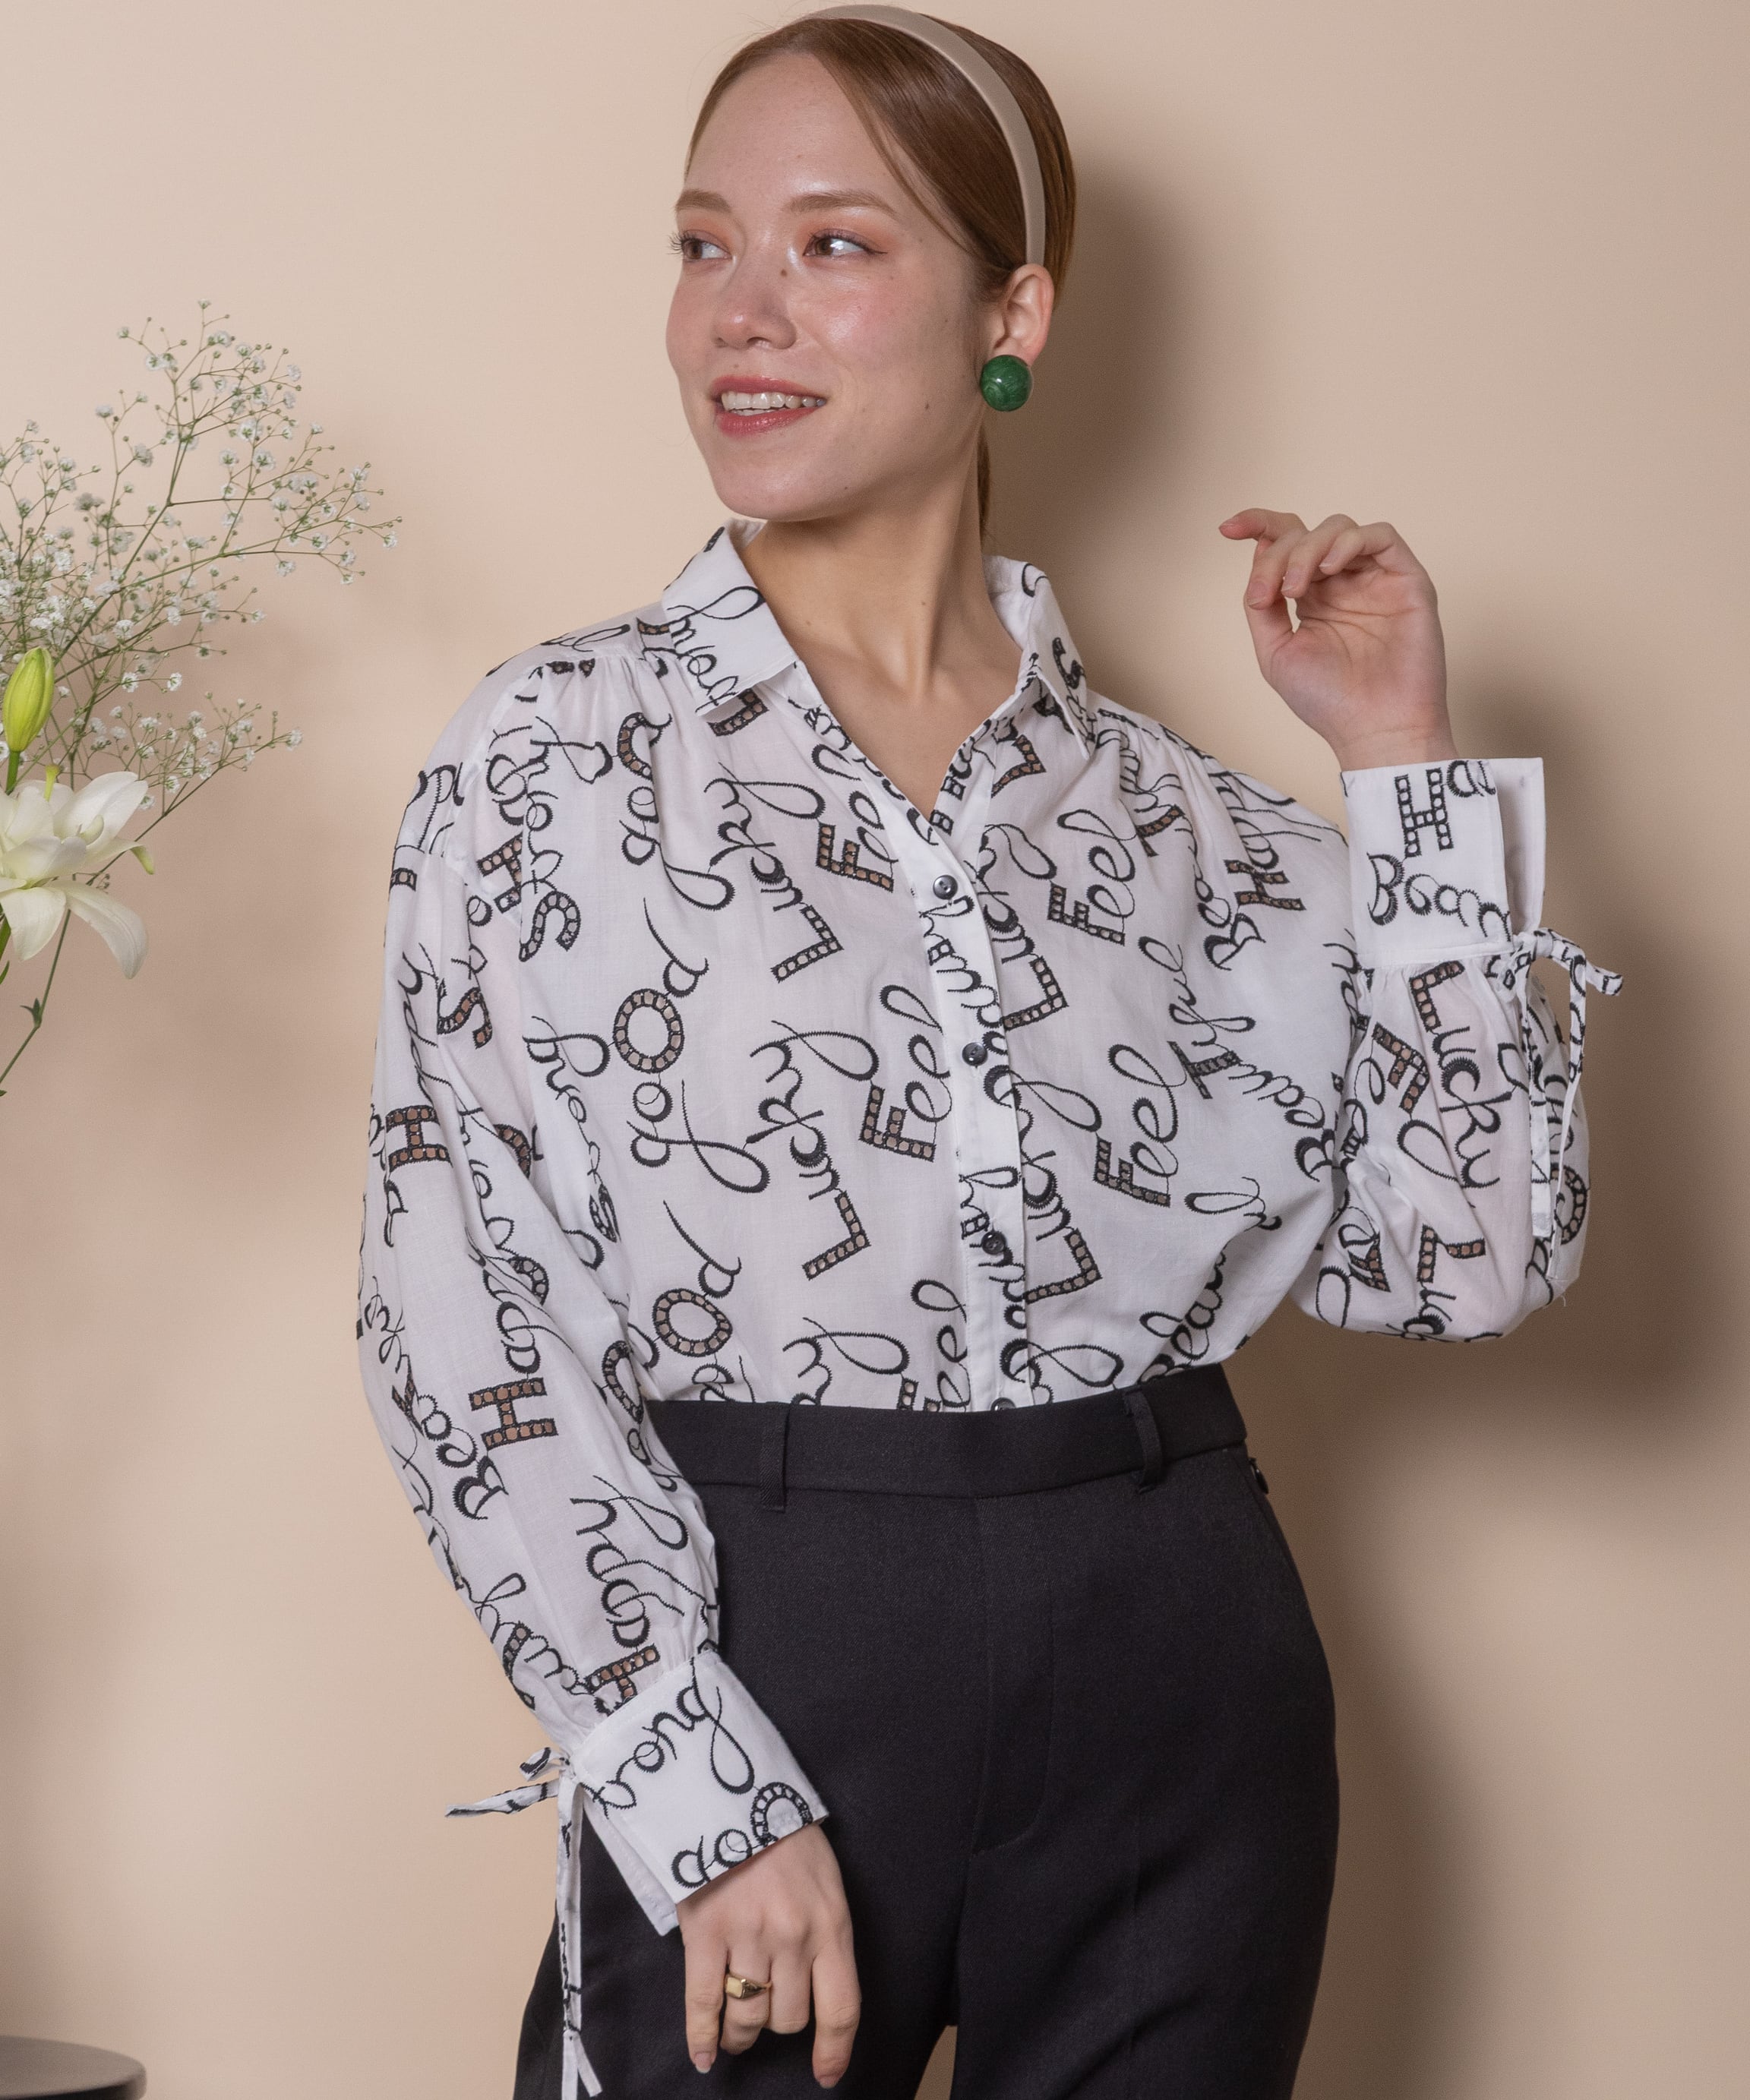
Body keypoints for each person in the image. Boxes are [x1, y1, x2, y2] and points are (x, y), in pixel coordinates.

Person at [355, 11, 1619, 2098]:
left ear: (1012, 314)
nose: (741, 313)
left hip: (1178, 1658)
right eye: (701, 243)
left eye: (835, 244)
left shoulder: (1195, 836)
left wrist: (1407, 765)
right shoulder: (554, 763)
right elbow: (456, 1309)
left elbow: (1472, 1257)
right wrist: (689, 1783)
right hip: (763, 1630)